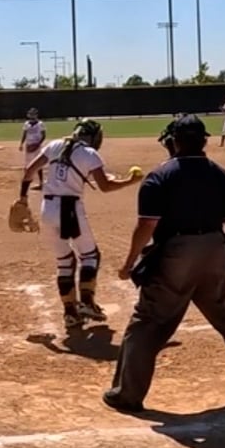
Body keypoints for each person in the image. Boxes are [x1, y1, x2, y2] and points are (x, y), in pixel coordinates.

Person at [106, 114, 225, 413]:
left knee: (149, 321)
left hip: (176, 254)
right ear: (204, 141)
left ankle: (127, 394)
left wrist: (129, 263)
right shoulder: (220, 174)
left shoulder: (159, 176)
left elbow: (146, 225)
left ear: (174, 142)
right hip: (215, 249)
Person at [17, 119, 142, 331]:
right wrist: (130, 181)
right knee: (90, 256)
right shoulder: (90, 154)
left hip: (47, 209)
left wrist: (22, 198)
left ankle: (70, 314)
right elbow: (105, 186)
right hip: (70, 210)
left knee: (64, 261)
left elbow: (29, 170)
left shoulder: (55, 145)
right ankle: (86, 303)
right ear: (94, 137)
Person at [16, 108, 47, 199]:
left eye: (33, 114)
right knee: (27, 165)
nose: (32, 115)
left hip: (36, 146)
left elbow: (44, 135)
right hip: (29, 146)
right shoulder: (26, 124)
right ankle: (27, 181)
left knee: (38, 164)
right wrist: (21, 144)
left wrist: (37, 144)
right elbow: (24, 134)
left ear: (36, 115)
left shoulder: (40, 124)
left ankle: (41, 183)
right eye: (30, 114)